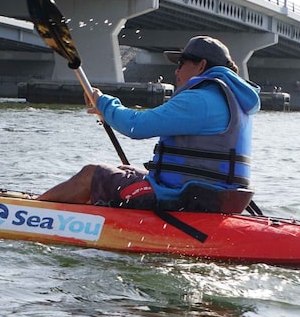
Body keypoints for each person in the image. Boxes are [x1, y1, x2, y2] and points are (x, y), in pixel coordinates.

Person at [37, 35, 261, 212]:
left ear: (201, 65)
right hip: (216, 196)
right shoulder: (235, 100)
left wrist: (104, 103)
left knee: (91, 174)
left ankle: (32, 211)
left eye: (182, 63)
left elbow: (136, 126)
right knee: (124, 170)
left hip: (183, 197)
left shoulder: (200, 98)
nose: (177, 70)